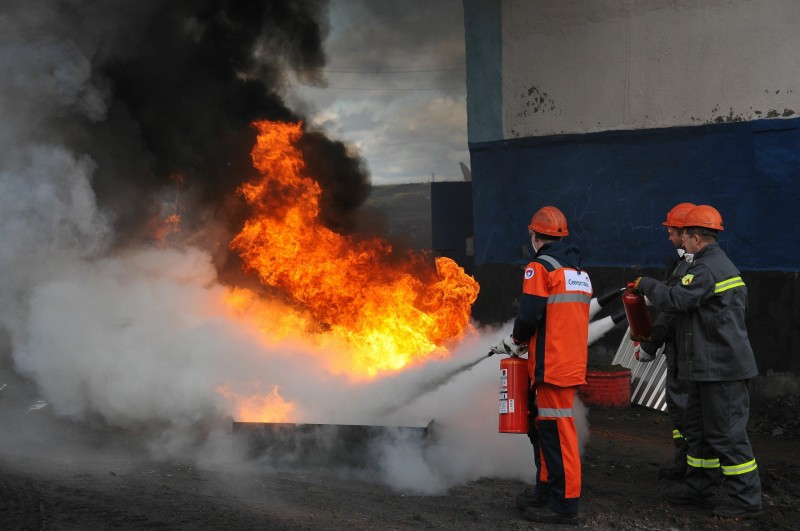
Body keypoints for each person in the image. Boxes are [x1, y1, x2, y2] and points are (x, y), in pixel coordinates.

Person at [632, 205, 762, 519]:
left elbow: (676, 300)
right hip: (707, 368)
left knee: (727, 435)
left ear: (697, 238)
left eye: (685, 237)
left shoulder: (708, 268)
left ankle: (747, 501)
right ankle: (700, 489)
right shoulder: (706, 265)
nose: (682, 244)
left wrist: (646, 284)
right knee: (701, 431)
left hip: (723, 370)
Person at [491, 206, 592, 525]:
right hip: (566, 362)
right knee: (543, 431)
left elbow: (530, 314)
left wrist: (515, 340)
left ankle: (564, 506)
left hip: (552, 365)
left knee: (558, 435)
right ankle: (545, 492)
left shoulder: (539, 268)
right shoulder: (578, 273)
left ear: (535, 236)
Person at [634, 202, 713, 482]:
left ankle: (696, 477)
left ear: (687, 234)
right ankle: (684, 465)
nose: (668, 237)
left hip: (689, 354)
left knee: (688, 414)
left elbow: (672, 308)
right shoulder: (683, 264)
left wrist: (651, 342)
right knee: (679, 416)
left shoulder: (696, 268)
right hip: (680, 351)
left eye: (671, 232)